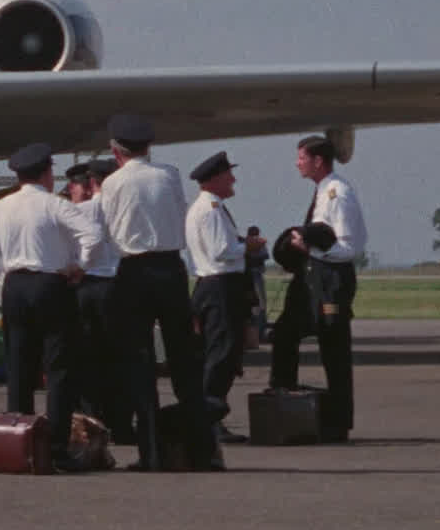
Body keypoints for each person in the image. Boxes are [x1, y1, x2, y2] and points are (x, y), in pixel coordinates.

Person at [0, 143, 88, 469]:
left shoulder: (4, 206)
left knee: (18, 364)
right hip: (50, 282)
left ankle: (18, 440)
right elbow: (95, 233)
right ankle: (56, 445)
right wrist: (80, 265)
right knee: (58, 367)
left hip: (15, 285)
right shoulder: (53, 204)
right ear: (46, 173)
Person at [98, 113, 214, 471]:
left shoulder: (113, 184)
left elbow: (105, 229)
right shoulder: (169, 175)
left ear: (115, 151)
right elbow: (179, 213)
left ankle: (150, 452)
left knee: (139, 362)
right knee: (184, 361)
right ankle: (200, 450)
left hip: (133, 270)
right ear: (148, 147)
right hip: (170, 268)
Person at [270, 134, 366, 438]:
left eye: (301, 158)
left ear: (317, 161)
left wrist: (308, 248)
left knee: (333, 347)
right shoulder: (323, 191)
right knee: (285, 333)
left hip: (330, 278)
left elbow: (348, 246)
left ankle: (338, 421)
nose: (297, 163)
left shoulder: (337, 193)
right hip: (312, 274)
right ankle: (282, 397)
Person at [185, 151, 266, 445]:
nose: (233, 180)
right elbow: (221, 250)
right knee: (220, 355)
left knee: (222, 353)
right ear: (215, 178)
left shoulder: (211, 207)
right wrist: (249, 246)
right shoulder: (210, 208)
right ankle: (208, 417)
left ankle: (209, 415)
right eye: (228, 175)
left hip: (218, 285)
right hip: (219, 287)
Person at [62, 159, 127, 438]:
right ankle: (121, 420)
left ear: (91, 183)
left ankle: (90, 419)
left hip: (87, 285)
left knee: (85, 356)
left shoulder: (81, 211)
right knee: (119, 357)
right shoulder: (126, 210)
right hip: (118, 286)